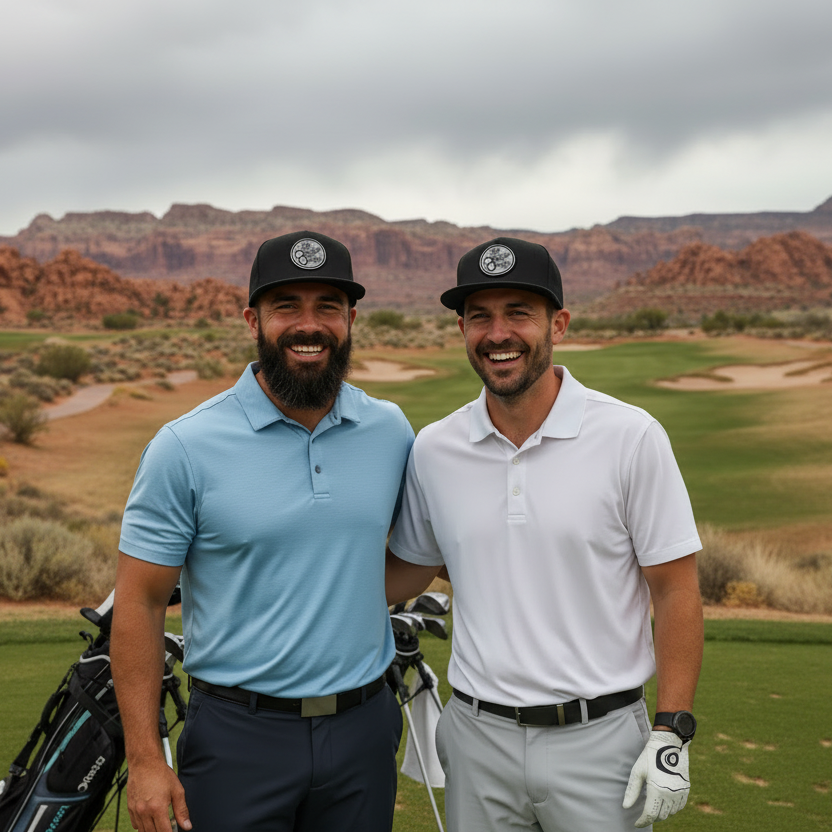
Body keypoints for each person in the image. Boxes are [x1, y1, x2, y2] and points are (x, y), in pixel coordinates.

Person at [386, 237, 704, 831]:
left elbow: (675, 588)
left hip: (601, 740)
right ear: (461, 328)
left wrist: (671, 730)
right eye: (480, 316)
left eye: (519, 313)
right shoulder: (434, 448)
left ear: (558, 323)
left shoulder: (631, 437)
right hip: (477, 739)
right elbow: (413, 567)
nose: (498, 333)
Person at [111, 230, 415, 832]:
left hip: (363, 728)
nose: (309, 325)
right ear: (253, 319)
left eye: (328, 306)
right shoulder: (184, 446)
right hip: (236, 737)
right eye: (286, 307)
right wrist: (144, 759)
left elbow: (414, 553)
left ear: (351, 319)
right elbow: (140, 602)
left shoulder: (390, 430)